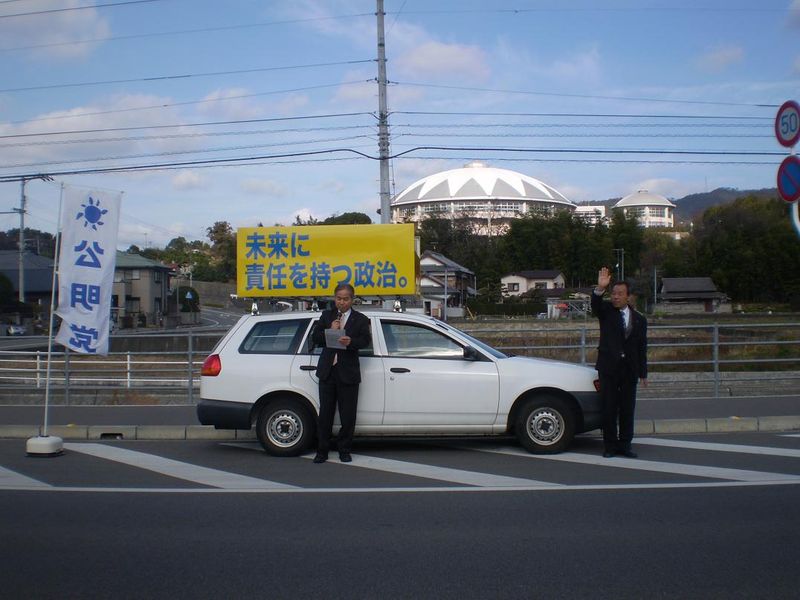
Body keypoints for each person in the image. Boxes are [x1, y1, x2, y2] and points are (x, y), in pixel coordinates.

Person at [310, 283, 371, 464]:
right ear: (334, 299)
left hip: (348, 372)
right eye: (338, 298)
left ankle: (344, 450)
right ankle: (322, 451)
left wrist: (350, 341)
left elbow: (365, 341)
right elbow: (315, 337)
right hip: (328, 371)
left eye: (345, 299)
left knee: (348, 414)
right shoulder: (326, 316)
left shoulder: (360, 319)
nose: (341, 302)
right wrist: (331, 330)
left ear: (352, 300)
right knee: (325, 414)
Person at [591, 267, 648, 458]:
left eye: (620, 294)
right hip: (608, 368)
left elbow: (641, 347)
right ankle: (610, 446)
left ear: (628, 296)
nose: (615, 297)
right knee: (609, 408)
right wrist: (600, 288)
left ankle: (625, 445)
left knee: (627, 409)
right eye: (613, 293)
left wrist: (643, 372)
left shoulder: (640, 319)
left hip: (629, 370)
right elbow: (595, 305)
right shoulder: (606, 311)